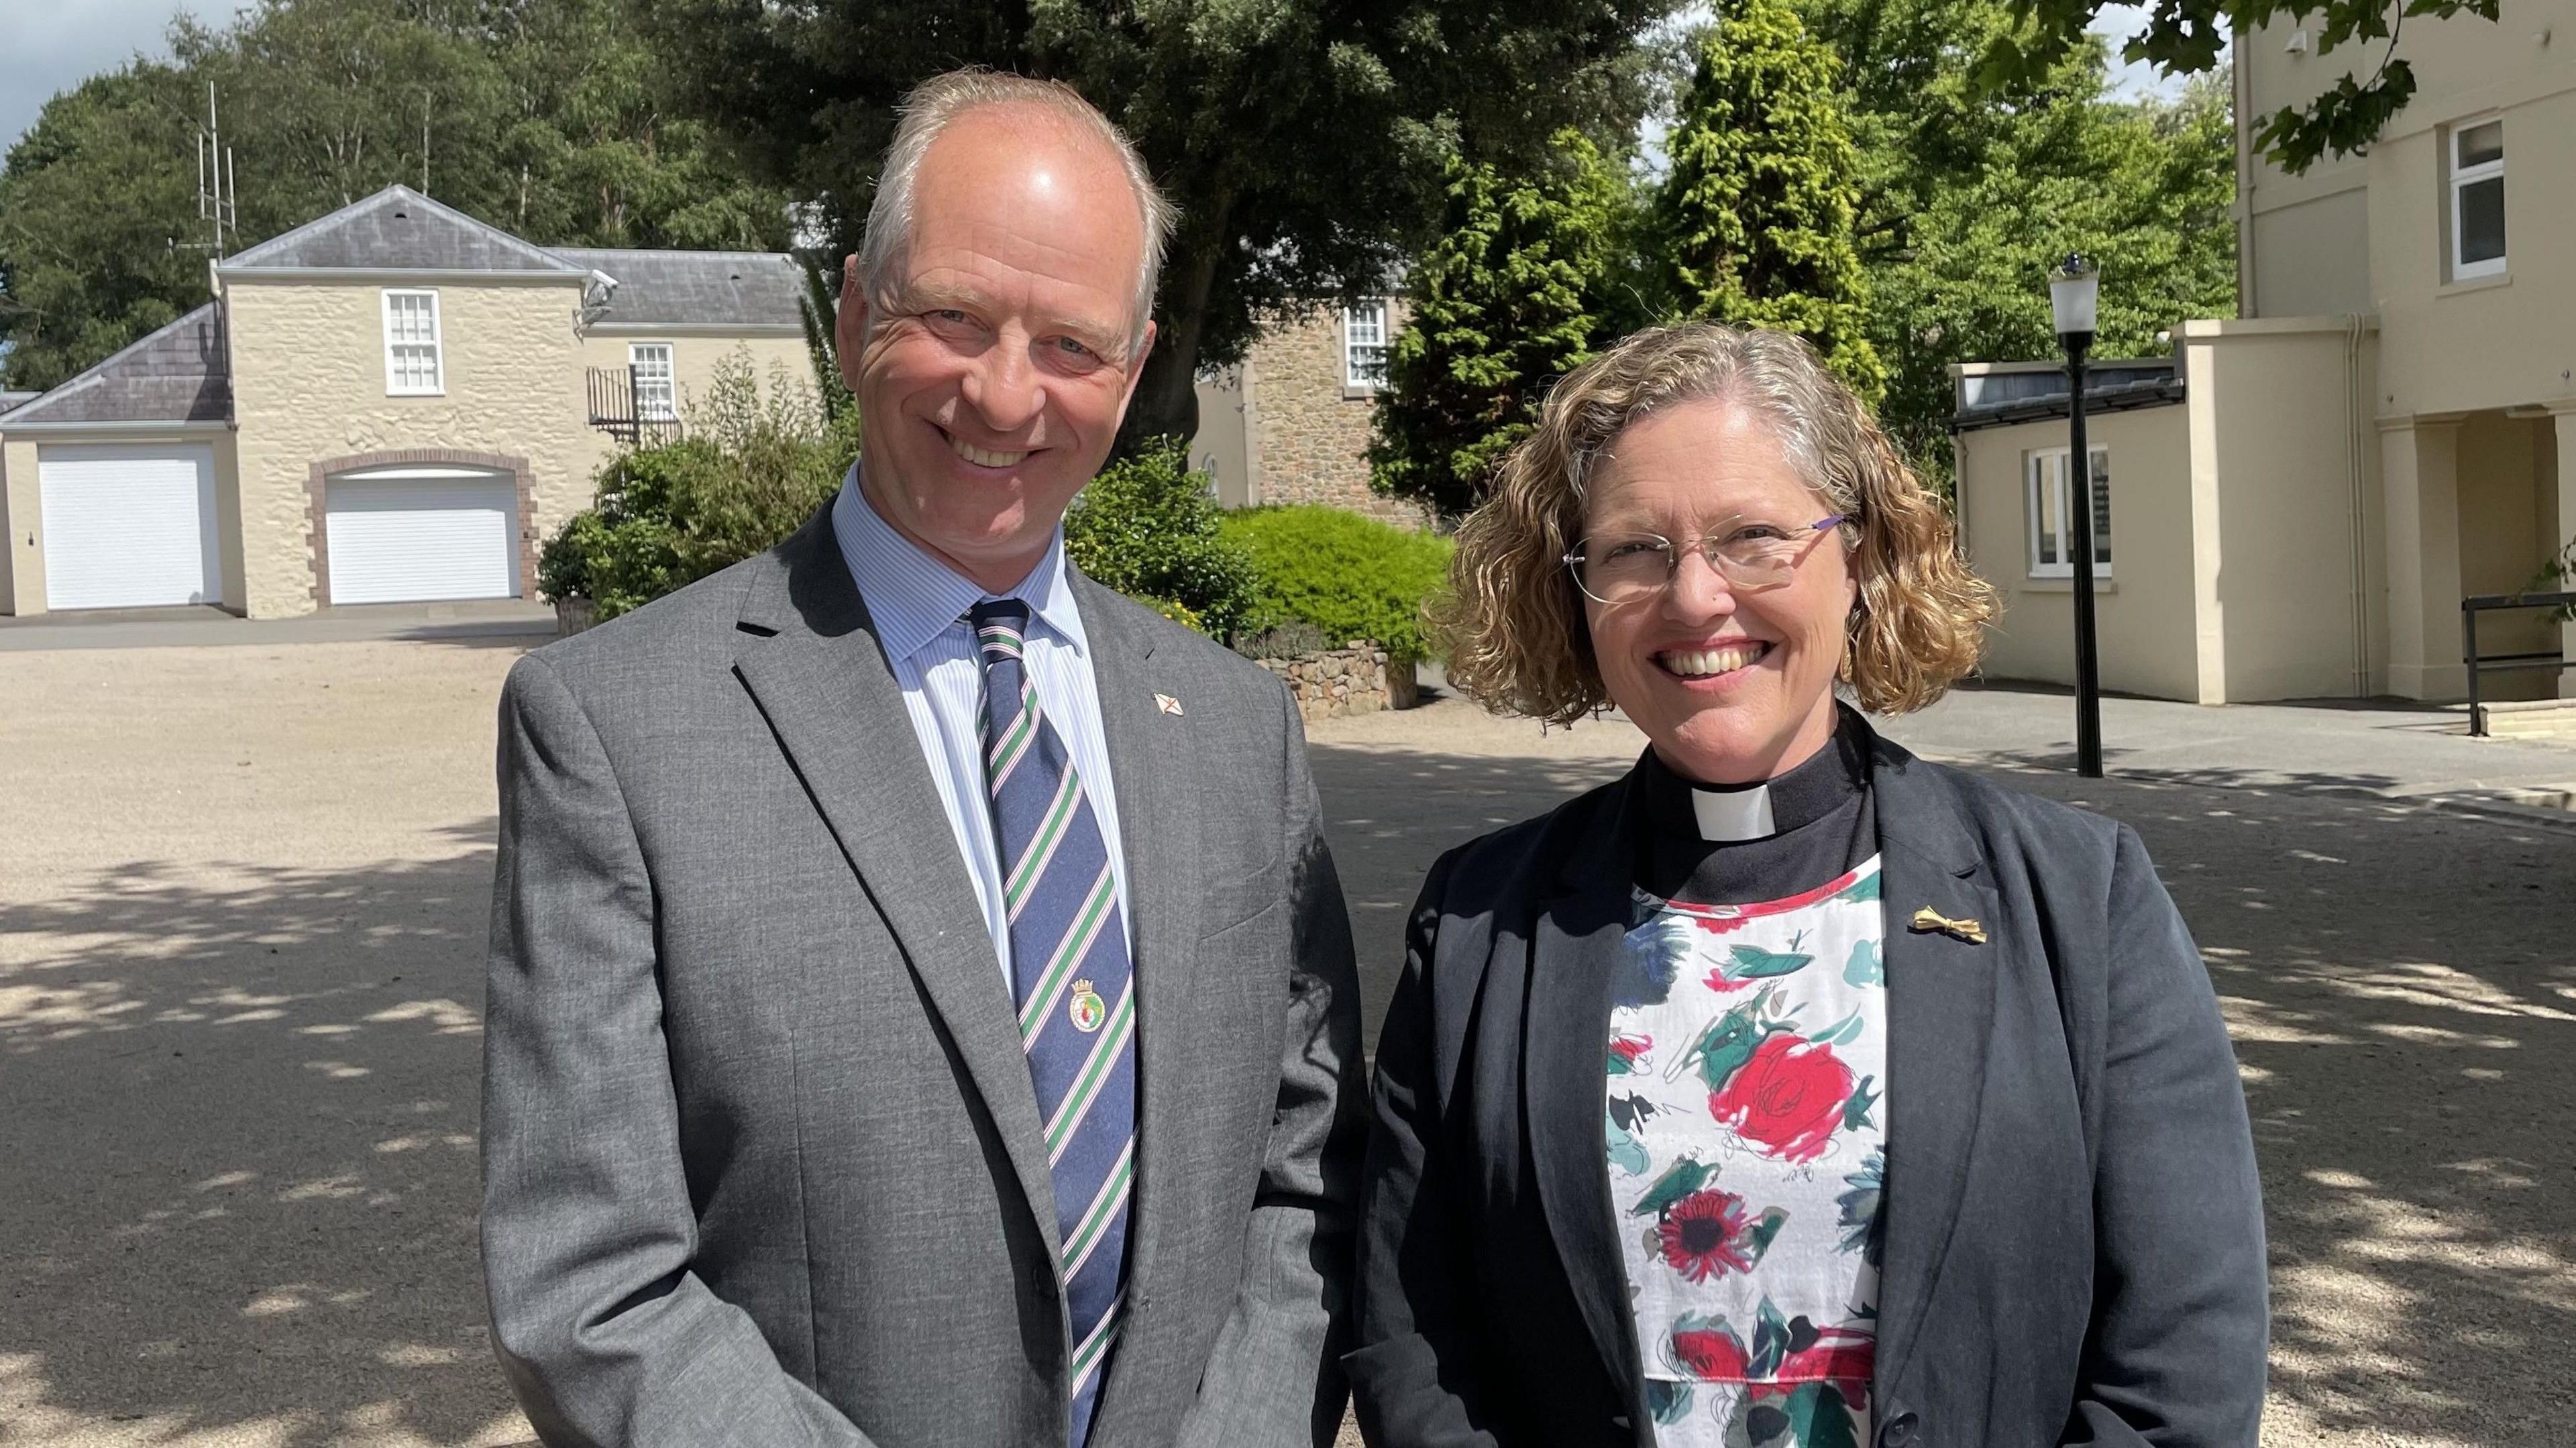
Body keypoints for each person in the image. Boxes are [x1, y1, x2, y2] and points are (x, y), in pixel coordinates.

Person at [481, 70, 1364, 1448]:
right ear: (851, 317)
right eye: (953, 317)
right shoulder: (614, 725)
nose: (1005, 392)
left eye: (1070, 344)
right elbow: (589, 1282)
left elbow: (1306, 1186)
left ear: (1131, 375)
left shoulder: (1239, 728)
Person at [1346, 323, 2267, 1448]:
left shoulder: (2080, 898)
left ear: (1861, 558)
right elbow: (1413, 1339)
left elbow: (2183, 1361)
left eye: (1753, 539)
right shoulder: (1481, 924)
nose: (1694, 599)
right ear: (1577, 594)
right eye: (1635, 551)